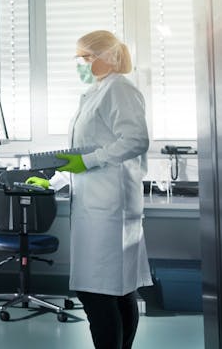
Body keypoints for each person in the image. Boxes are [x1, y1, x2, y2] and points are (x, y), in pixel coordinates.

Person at [55, 30, 152, 349]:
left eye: (84, 58)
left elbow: (136, 140)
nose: (80, 64)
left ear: (105, 57)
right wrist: (56, 175)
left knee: (98, 293)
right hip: (98, 203)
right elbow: (89, 148)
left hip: (109, 208)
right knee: (117, 289)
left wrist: (88, 161)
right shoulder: (98, 90)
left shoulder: (119, 89)